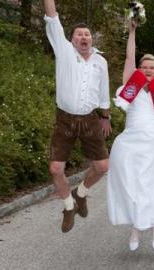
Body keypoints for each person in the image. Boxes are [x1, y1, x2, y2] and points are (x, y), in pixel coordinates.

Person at [106, 19, 154, 252]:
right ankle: (136, 227)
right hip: (133, 144)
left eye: (151, 67)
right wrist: (132, 32)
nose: (147, 69)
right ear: (139, 69)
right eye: (144, 66)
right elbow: (128, 59)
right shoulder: (131, 86)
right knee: (133, 187)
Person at [43, 0, 111, 233]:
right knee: (55, 169)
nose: (84, 37)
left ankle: (80, 193)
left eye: (87, 34)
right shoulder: (63, 51)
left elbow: (104, 91)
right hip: (65, 120)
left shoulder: (100, 61)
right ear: (71, 39)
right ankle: (68, 205)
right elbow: (52, 17)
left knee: (102, 166)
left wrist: (105, 116)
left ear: (92, 39)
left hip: (91, 119)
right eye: (79, 34)